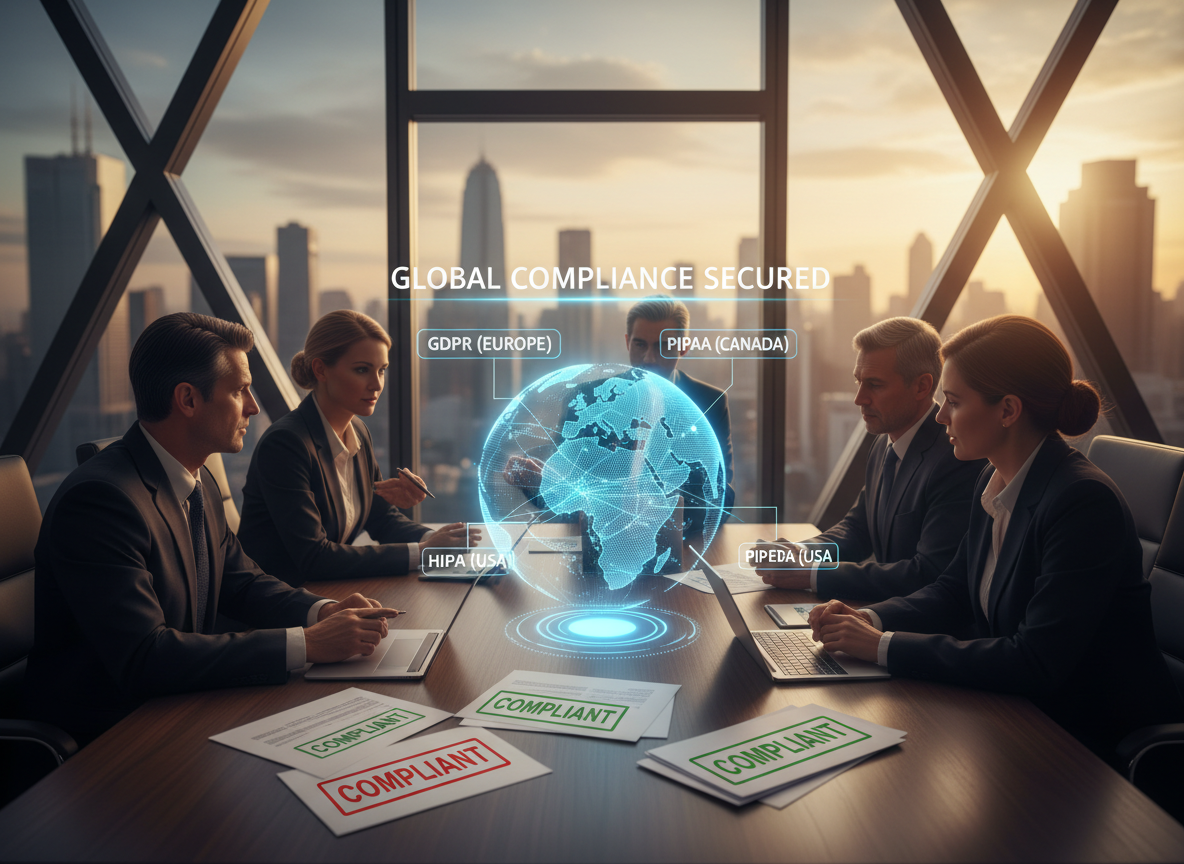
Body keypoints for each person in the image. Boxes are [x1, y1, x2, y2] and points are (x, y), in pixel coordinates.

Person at [809, 315, 1182, 757]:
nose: (940, 415)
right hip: (1016, 712)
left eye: (953, 401)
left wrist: (883, 646)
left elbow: (1035, 661)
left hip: (1086, 740)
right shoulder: (996, 477)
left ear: (1007, 410)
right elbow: (954, 589)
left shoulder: (1082, 502)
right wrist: (870, 620)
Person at [24, 314, 402, 746]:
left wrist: (321, 612)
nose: (254, 406)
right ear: (188, 399)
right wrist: (307, 644)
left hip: (184, 705)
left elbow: (241, 581)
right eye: (241, 390)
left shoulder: (195, 477)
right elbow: (145, 656)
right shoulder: (100, 501)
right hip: (111, 740)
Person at [238, 310, 479, 587]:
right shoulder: (286, 444)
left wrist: (437, 541)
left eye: (382, 370)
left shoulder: (359, 433)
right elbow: (313, 557)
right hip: (281, 605)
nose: (377, 384)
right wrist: (424, 553)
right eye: (362, 369)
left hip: (332, 591)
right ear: (321, 370)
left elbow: (381, 519)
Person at [758, 317, 984, 600]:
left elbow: (928, 573)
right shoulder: (883, 443)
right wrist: (801, 553)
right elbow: (859, 527)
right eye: (858, 382)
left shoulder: (955, 458)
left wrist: (813, 574)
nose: (859, 398)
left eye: (874, 385)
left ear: (922, 387)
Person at [503, 297, 735, 534]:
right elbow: (566, 501)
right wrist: (538, 484)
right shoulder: (589, 399)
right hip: (602, 547)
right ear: (627, 342)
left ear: (683, 346)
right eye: (640, 345)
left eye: (663, 346)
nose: (649, 359)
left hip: (679, 544)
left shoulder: (710, 403)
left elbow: (722, 499)